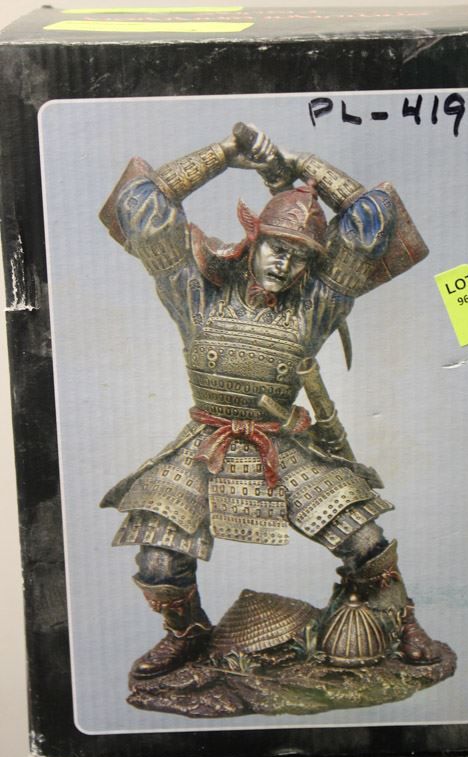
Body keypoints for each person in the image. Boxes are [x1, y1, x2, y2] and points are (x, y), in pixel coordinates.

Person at [100, 124, 440, 679]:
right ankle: (186, 632)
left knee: (365, 539)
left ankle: (401, 621)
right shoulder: (196, 296)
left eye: (300, 257)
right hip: (205, 444)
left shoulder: (314, 309)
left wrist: (303, 164)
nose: (284, 263)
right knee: (158, 556)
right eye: (276, 248)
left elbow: (372, 218)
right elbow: (140, 207)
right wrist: (222, 154)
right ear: (252, 239)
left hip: (280, 442)